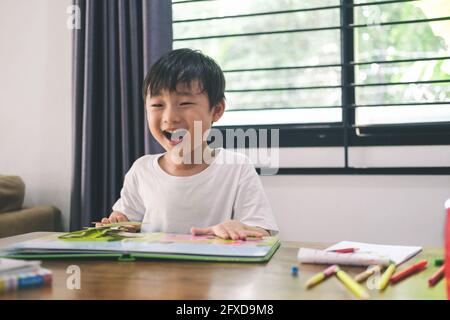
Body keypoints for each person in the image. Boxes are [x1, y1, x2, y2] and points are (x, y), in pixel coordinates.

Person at [96, 48, 278, 240]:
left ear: (216, 110)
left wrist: (239, 226)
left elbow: (262, 232)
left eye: (184, 104)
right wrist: (118, 222)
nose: (170, 118)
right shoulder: (141, 169)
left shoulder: (237, 168)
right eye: (157, 105)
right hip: (153, 269)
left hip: (215, 268)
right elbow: (127, 222)